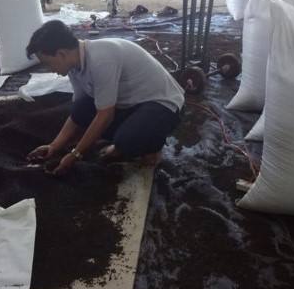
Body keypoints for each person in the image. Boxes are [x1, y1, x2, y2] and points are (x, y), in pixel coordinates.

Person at [25, 21, 184, 176]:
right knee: (80, 108)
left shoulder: (100, 59)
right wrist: (54, 146)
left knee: (127, 141)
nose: (49, 69)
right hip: (132, 103)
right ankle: (130, 135)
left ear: (61, 54)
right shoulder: (74, 66)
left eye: (48, 63)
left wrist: (75, 154)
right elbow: (78, 112)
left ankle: (151, 147)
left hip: (163, 104)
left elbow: (105, 115)